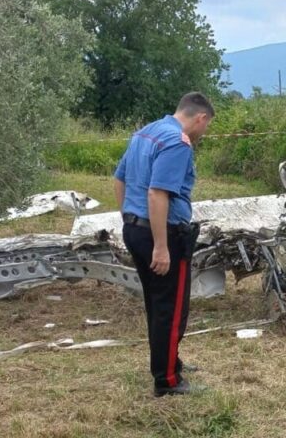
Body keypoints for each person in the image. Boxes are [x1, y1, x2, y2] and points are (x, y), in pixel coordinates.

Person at [114, 92, 214, 396]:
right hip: (164, 235)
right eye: (206, 127)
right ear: (201, 118)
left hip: (136, 229)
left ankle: (170, 361)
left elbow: (119, 180)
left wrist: (130, 219)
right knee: (171, 309)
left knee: (157, 304)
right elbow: (158, 194)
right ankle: (167, 379)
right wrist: (160, 245)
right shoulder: (177, 142)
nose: (203, 133)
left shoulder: (145, 133)